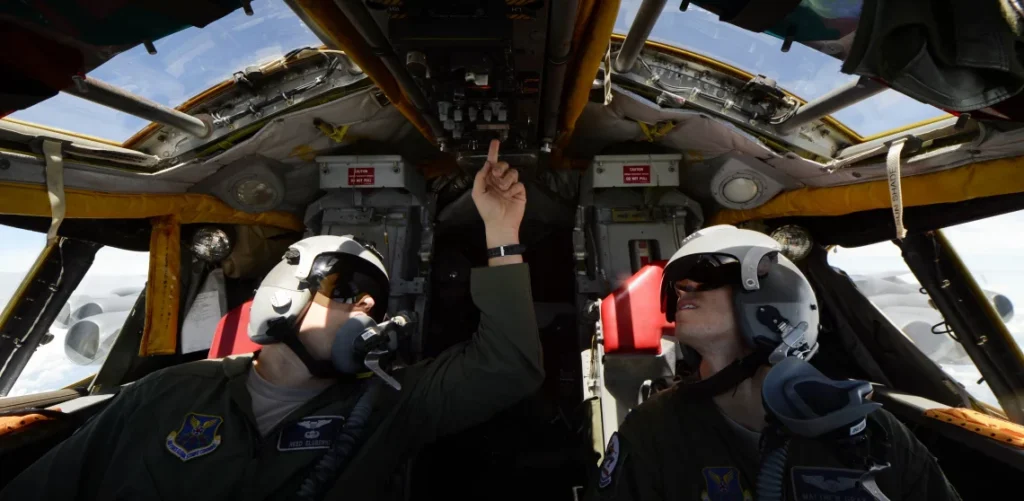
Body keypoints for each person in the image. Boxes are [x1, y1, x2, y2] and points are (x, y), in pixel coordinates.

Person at [0, 139, 542, 501]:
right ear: (284, 294)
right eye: (348, 289)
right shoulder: (164, 393)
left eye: (376, 297)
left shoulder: (390, 403)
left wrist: (500, 230)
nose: (369, 306)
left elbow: (507, 366)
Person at [587, 225, 961, 501]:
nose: (685, 290)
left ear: (774, 299)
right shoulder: (655, 429)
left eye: (704, 277)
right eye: (680, 286)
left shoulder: (863, 426)